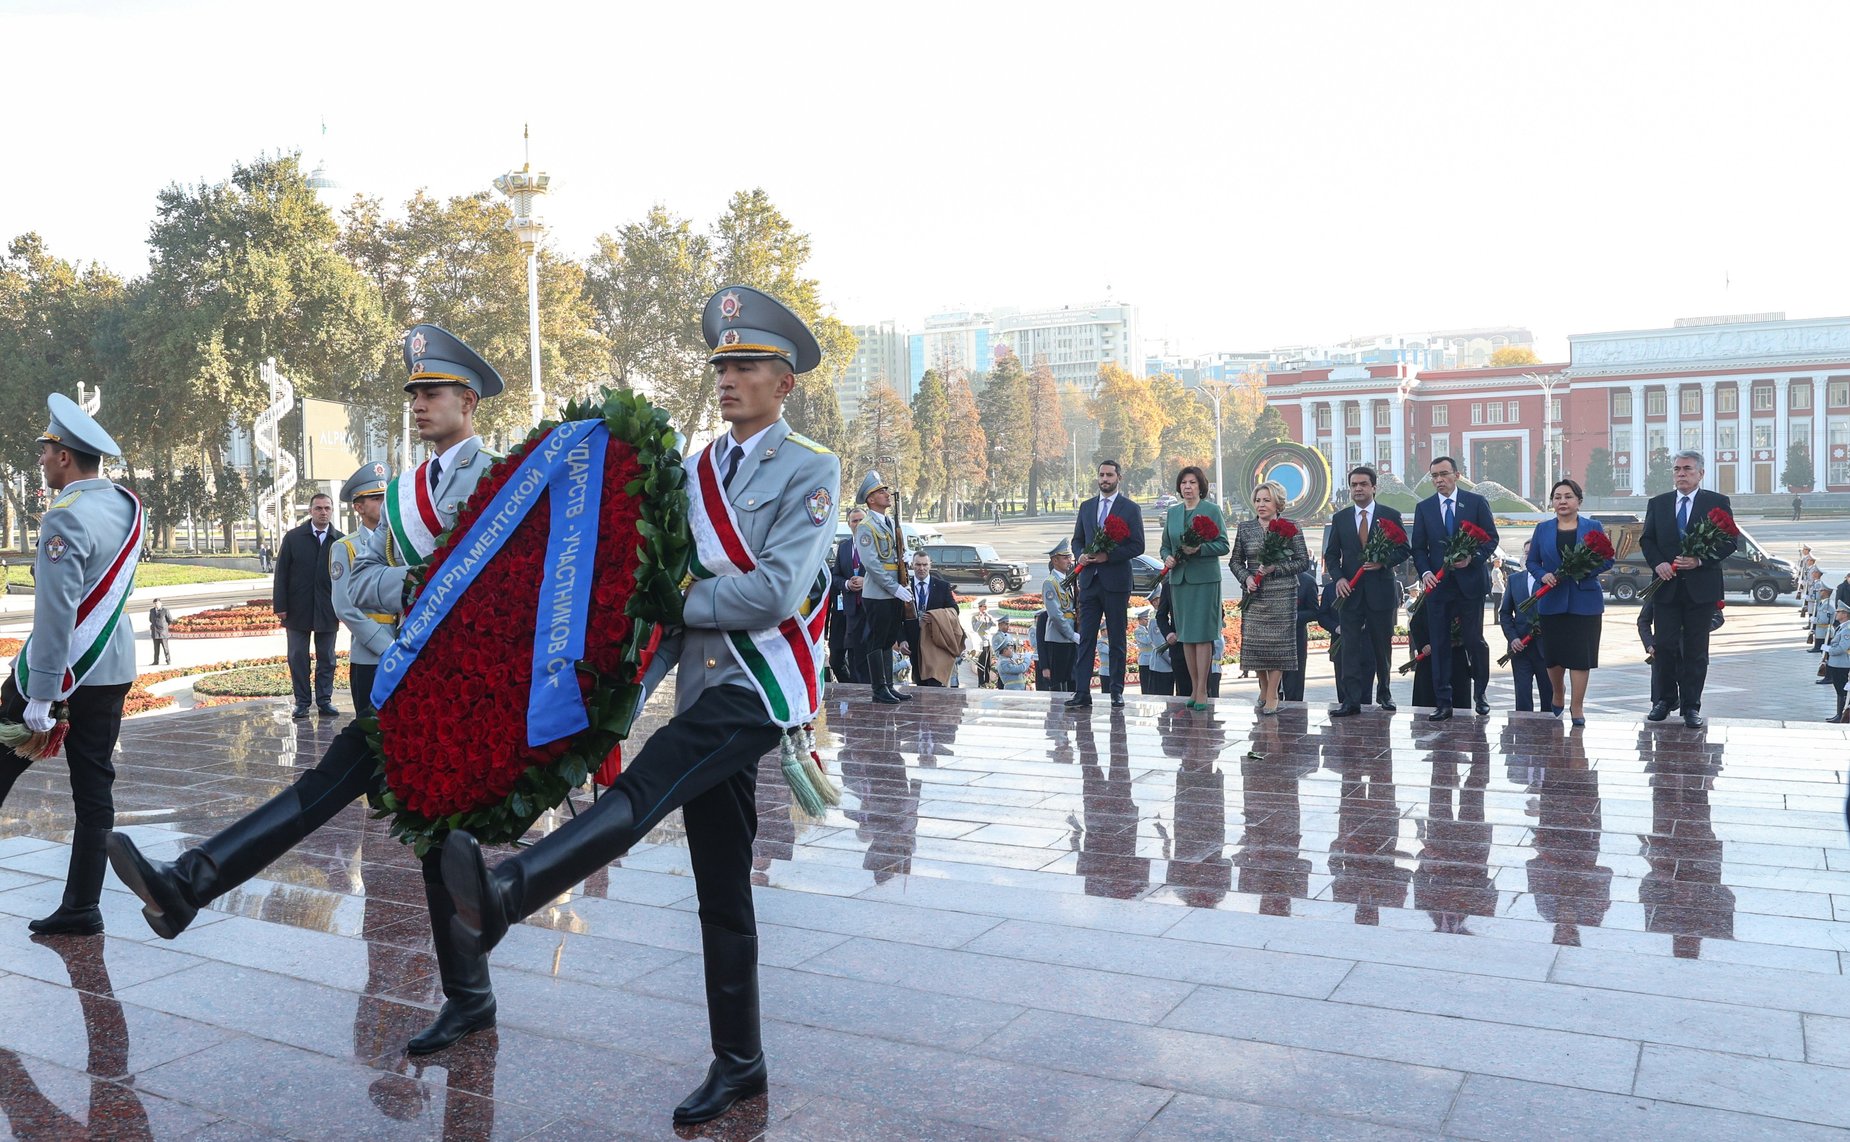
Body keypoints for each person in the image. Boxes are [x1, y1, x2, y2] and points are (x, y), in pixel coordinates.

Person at [440, 284, 840, 1125]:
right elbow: (665, 597)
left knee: (648, 786)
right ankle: (742, 1063)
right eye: (721, 365)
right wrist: (620, 695)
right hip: (704, 685)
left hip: (756, 691)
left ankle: (511, 893)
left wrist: (674, 601)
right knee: (721, 887)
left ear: (785, 382)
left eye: (746, 365)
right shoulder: (697, 471)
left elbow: (772, 594)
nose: (728, 378)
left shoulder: (811, 469)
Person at [109, 324, 510, 1056]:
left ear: (469, 398)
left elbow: (508, 586)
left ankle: (470, 999)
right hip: (405, 683)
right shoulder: (403, 493)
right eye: (414, 392)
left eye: (432, 391)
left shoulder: (503, 480)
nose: (419, 403)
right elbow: (358, 585)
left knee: (440, 844)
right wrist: (420, 589)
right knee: (330, 796)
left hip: (465, 693)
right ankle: (185, 886)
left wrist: (431, 591)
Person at [0, 395, 142, 935]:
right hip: (112, 665)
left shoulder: (66, 518)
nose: (40, 458)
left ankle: (82, 907)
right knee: (94, 790)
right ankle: (82, 906)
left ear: (64, 457)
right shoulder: (127, 506)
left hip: (60, 672)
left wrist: (41, 692)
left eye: (45, 449)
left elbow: (57, 612)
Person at [1641, 451, 1734, 728]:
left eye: (1687, 469)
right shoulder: (1658, 503)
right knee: (1665, 647)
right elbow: (1647, 540)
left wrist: (1700, 560)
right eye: (1677, 469)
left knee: (1696, 650)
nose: (1681, 474)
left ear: (1701, 473)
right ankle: (1665, 700)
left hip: (1701, 589)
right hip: (1667, 588)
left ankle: (1691, 707)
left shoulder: (1716, 503)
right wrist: (1658, 564)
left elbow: (1730, 542)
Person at [1410, 455, 1498, 721]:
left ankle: (1480, 692)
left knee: (1474, 641)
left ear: (1457, 475)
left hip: (1469, 584)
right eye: (1434, 476)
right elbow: (1418, 547)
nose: (1439, 480)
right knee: (1439, 644)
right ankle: (1443, 701)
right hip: (1438, 586)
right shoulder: (1424, 508)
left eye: (1444, 474)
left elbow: (1491, 538)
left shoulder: (1475, 502)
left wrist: (1473, 558)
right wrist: (1425, 572)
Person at [1323, 465, 1408, 716]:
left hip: (1380, 592)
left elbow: (1404, 550)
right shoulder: (1341, 518)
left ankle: (1384, 694)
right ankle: (1351, 700)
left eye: (1362, 484)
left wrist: (1384, 562)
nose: (1357, 489)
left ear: (1373, 487)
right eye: (1353, 485)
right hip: (1349, 594)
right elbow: (1331, 554)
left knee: (1382, 646)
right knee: (1349, 647)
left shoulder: (1390, 515)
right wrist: (1338, 579)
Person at [1528, 480, 1612, 726]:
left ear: (1578, 501)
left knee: (1579, 657)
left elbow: (1607, 560)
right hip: (1551, 600)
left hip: (1584, 600)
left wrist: (1583, 569)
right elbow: (1532, 561)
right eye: (1557, 497)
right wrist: (1542, 575)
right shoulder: (1542, 529)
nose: (1562, 501)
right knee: (1553, 658)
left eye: (1568, 496)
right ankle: (1558, 692)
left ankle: (1577, 707)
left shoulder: (1593, 527)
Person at [1067, 461, 1145, 709]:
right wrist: (1080, 554)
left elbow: (1137, 546)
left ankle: (1116, 692)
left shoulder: (1130, 508)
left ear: (1119, 477)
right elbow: (1077, 539)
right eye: (1101, 475)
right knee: (1086, 638)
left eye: (1109, 475)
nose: (1104, 479)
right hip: (1089, 583)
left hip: (1115, 583)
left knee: (1117, 640)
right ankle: (1082, 692)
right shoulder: (1087, 507)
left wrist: (1107, 556)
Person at [1231, 480, 1308, 716]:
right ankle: (1264, 688)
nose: (1261, 504)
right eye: (1257, 500)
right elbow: (1235, 561)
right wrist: (1246, 578)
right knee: (1257, 647)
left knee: (1278, 647)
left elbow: (1302, 561)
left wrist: (1276, 568)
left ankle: (1273, 692)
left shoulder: (1291, 527)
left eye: (1266, 500)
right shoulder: (1245, 529)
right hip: (1255, 595)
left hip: (1282, 594)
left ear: (1278, 503)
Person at [1159, 465, 1230, 712]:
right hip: (1180, 581)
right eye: (1183, 483)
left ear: (1201, 486)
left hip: (1204, 580)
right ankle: (1192, 688)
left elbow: (1223, 544)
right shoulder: (1174, 513)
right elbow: (1166, 545)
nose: (1187, 487)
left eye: (1192, 483)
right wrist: (1167, 557)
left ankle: (1202, 689)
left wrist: (1199, 549)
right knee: (1186, 636)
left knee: (1202, 636)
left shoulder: (1211, 510)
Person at [329, 461, 393, 717]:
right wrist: (386, 645)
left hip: (404, 648)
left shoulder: (398, 542)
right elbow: (344, 606)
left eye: (385, 497)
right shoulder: (346, 547)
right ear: (358, 507)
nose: (383, 503)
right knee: (369, 731)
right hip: (371, 654)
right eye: (376, 499)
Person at [272, 491, 343, 719]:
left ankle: (324, 701)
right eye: (318, 508)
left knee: (327, 658)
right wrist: (280, 606)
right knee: (297, 656)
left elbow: (346, 579)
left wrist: (344, 607)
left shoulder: (340, 541)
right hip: (296, 609)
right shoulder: (293, 538)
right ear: (311, 511)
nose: (323, 512)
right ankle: (302, 702)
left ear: (332, 511)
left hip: (327, 609)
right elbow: (281, 573)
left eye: (327, 508)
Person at [854, 473, 910, 704]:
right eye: (880, 492)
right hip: (878, 593)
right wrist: (894, 588)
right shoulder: (866, 526)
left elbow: (891, 556)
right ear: (870, 500)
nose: (886, 495)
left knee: (888, 641)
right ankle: (878, 689)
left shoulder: (887, 523)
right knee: (877, 641)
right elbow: (872, 565)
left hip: (892, 590)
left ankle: (888, 685)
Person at [1497, 541, 1553, 714]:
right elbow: (1505, 613)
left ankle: (1548, 737)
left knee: (1548, 697)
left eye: (1532, 553)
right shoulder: (1514, 580)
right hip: (1520, 649)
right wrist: (1512, 638)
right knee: (1522, 698)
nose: (1527, 556)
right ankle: (1524, 736)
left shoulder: (1551, 580)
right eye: (1525, 552)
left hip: (1545, 650)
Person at [901, 551, 957, 686]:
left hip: (935, 644)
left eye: (925, 564)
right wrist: (902, 640)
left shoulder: (942, 586)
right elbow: (897, 617)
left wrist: (936, 617)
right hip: (913, 644)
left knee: (934, 683)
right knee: (920, 684)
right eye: (918, 565)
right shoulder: (904, 587)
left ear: (930, 565)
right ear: (912, 566)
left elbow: (955, 610)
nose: (921, 568)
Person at [828, 507, 866, 684]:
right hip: (845, 610)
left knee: (859, 660)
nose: (857, 524)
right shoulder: (843, 547)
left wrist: (866, 582)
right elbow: (835, 576)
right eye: (854, 521)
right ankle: (850, 688)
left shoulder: (876, 545)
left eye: (861, 520)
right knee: (837, 660)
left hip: (867, 610)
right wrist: (847, 584)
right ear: (849, 524)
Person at [1040, 540, 1078, 693]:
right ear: (1055, 560)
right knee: (1058, 683)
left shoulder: (1066, 580)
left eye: (1069, 557)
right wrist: (1071, 634)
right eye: (1065, 557)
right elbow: (1055, 615)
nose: (1069, 561)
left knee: (1070, 679)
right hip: (1058, 637)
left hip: (1069, 636)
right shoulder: (1050, 583)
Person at [1281, 570, 1318, 703]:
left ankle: (1294, 718)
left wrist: (1292, 618)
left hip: (1296, 639)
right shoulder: (1267, 579)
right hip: (1271, 639)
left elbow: (1314, 611)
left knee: (1294, 686)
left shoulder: (1307, 581)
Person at [1136, 587, 1177, 696]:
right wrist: (1173, 662)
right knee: (1163, 697)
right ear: (1156, 602)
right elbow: (1161, 646)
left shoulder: (1165, 616)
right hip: (1162, 665)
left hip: (1166, 666)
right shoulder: (1155, 621)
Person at [1824, 601, 1850, 722]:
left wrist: (1830, 650)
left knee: (1842, 690)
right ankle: (1839, 714)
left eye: (1839, 611)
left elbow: (1842, 648)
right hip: (1836, 663)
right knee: (1839, 689)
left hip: (1842, 664)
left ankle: (1842, 715)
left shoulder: (1847, 629)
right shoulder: (1842, 627)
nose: (1836, 613)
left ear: (1845, 614)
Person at [971, 599, 997, 687]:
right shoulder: (975, 617)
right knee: (981, 664)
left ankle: (987, 681)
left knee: (988, 663)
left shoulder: (987, 616)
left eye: (986, 607)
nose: (985, 608)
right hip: (981, 643)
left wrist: (989, 617)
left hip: (988, 642)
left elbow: (994, 624)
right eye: (984, 607)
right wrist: (980, 620)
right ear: (980, 607)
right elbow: (975, 629)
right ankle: (981, 682)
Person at [147, 597, 173, 665]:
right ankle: (156, 661)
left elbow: (170, 620)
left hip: (163, 633)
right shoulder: (152, 611)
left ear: (160, 603)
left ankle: (168, 660)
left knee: (165, 648)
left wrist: (164, 626)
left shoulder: (165, 610)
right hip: (155, 632)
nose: (156, 604)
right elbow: (150, 620)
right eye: (155, 603)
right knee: (156, 649)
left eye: (157, 603)